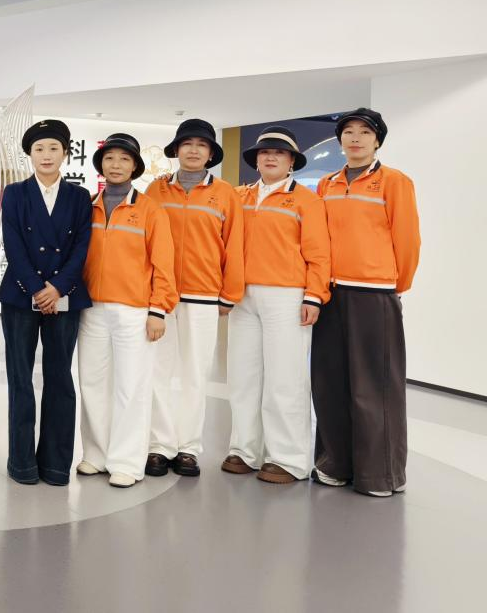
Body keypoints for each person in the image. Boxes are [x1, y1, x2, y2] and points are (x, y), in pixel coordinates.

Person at [312, 108, 420, 496]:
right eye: (348, 132)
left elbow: (408, 242)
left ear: (377, 141)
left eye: (364, 132)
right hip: (330, 294)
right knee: (330, 383)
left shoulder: (394, 182)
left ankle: (380, 475)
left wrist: (392, 285)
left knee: (375, 387)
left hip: (374, 294)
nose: (355, 138)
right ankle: (335, 464)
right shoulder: (326, 184)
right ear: (340, 140)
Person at [222, 127, 330, 484]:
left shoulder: (306, 200)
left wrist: (314, 295)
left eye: (279, 153)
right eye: (264, 152)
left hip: (287, 296)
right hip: (243, 297)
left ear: (291, 162)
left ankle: (288, 458)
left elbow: (319, 253)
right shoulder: (239, 196)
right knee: (243, 376)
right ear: (255, 160)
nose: (270, 157)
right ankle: (244, 450)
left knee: (285, 378)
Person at [77, 134, 178, 488]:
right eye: (109, 158)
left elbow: (164, 263)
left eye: (124, 159)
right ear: (101, 165)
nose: (116, 165)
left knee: (131, 386)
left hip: (134, 311)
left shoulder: (150, 209)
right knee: (92, 382)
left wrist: (158, 310)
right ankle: (96, 454)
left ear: (135, 166)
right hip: (92, 309)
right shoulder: (88, 206)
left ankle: (127, 462)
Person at [144, 118, 244, 477]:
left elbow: (235, 245)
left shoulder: (226, 194)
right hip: (161, 297)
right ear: (176, 150)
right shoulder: (155, 190)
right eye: (187, 144)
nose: (193, 150)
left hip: (203, 296)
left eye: (201, 145)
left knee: (194, 374)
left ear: (211, 153)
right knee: (158, 372)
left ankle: (187, 447)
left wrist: (229, 294)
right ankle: (159, 446)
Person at [0, 120, 93, 486]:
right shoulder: (15, 193)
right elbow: (13, 244)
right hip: (21, 296)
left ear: (65, 153)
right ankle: (21, 464)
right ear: (30, 155)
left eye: (53, 148)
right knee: (20, 379)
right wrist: (38, 288)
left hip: (65, 295)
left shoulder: (79, 197)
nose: (46, 155)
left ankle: (55, 465)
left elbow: (82, 246)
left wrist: (58, 287)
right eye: (39, 149)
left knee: (60, 379)